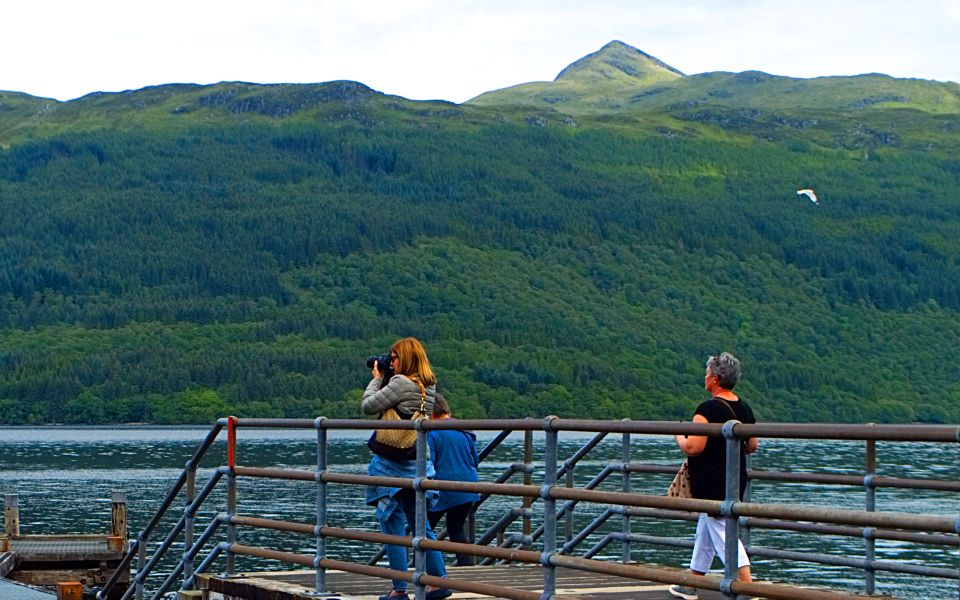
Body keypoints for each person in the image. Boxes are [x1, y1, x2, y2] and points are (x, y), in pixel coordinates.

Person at [362, 337, 452, 600]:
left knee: (390, 522)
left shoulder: (400, 383)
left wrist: (377, 378)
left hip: (392, 462)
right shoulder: (429, 384)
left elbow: (369, 405)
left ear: (407, 359)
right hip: (418, 460)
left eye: (395, 357)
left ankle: (399, 589)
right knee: (420, 525)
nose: (392, 361)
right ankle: (437, 582)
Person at [668, 352, 759, 600]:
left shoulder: (706, 409)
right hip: (734, 478)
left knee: (723, 530)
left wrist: (679, 435)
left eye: (707, 374)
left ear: (715, 378)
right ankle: (691, 584)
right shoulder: (745, 408)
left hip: (709, 480)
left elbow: (693, 447)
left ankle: (748, 587)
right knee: (707, 530)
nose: (705, 377)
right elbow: (752, 445)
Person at [427, 394, 480, 566]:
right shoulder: (465, 429)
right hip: (468, 485)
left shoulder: (433, 432)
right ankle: (467, 567)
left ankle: (421, 568)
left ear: (431, 413)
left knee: (424, 530)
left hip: (443, 488)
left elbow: (429, 463)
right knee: (456, 529)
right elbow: (475, 460)